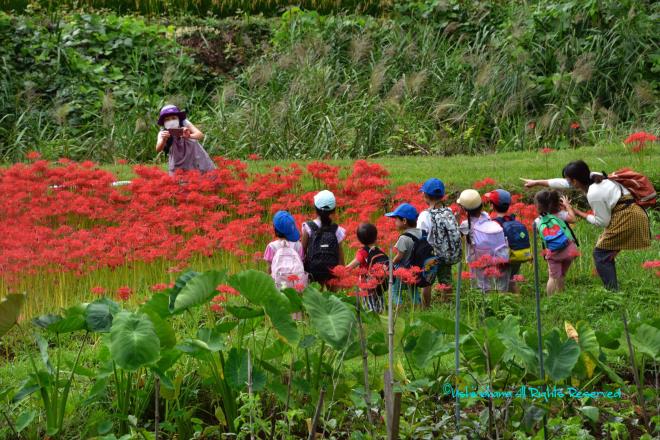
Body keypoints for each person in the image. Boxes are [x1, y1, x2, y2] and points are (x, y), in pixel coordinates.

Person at [523, 160, 651, 291]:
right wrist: (537, 182)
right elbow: (563, 183)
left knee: (600, 254)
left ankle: (612, 291)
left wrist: (579, 212)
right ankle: (612, 289)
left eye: (569, 180)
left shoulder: (594, 193)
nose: (567, 183)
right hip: (632, 213)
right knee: (605, 253)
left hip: (628, 217)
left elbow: (602, 222)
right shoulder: (592, 176)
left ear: (575, 181)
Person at [457, 189, 511, 292]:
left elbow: (456, 235)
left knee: (481, 287)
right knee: (495, 286)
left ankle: (483, 306)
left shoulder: (466, 225)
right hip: (497, 258)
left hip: (478, 261)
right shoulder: (487, 217)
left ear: (464, 209)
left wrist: (457, 218)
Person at [417, 178, 461, 305]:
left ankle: (426, 307)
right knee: (446, 281)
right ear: (442, 196)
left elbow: (420, 236)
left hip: (431, 255)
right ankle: (447, 305)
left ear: (425, 195)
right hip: (447, 253)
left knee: (427, 283)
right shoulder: (449, 211)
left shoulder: (424, 215)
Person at [484, 189, 532, 293]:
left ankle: (504, 306)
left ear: (492, 205)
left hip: (503, 260)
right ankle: (517, 305)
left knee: (501, 286)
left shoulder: (494, 224)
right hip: (517, 255)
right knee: (512, 281)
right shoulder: (513, 220)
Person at [533, 190, 579, 295]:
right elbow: (573, 219)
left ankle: (552, 300)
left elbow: (538, 233)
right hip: (569, 250)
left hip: (553, 253)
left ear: (538, 205)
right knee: (562, 274)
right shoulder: (561, 214)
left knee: (553, 277)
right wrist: (567, 206)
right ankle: (561, 295)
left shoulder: (538, 221)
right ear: (557, 202)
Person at [301, 190, 346, 287]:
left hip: (313, 270)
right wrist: (342, 274)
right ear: (333, 210)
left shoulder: (308, 227)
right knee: (333, 297)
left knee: (316, 296)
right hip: (332, 271)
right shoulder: (337, 229)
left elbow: (302, 252)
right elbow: (340, 255)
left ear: (315, 209)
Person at [155, 105, 216, 175]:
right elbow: (158, 149)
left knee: (204, 176)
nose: (171, 121)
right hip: (178, 160)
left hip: (195, 155)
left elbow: (200, 135)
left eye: (173, 118)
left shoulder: (185, 123)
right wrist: (164, 140)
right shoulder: (163, 132)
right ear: (164, 122)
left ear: (178, 118)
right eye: (167, 119)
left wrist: (189, 136)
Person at [385, 203, 423, 305]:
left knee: (395, 291)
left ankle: (399, 309)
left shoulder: (403, 238)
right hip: (416, 269)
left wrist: (391, 263)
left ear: (404, 221)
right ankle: (418, 307)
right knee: (414, 291)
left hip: (402, 271)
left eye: (396, 219)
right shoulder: (421, 233)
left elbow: (400, 256)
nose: (395, 222)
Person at [346, 223, 388, 313]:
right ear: (376, 236)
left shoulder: (362, 252)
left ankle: (372, 316)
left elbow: (352, 265)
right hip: (379, 281)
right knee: (379, 297)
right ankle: (381, 312)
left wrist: (344, 269)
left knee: (369, 301)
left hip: (367, 283)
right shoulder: (379, 250)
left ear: (360, 240)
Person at [264, 210, 307, 290]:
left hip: (278, 286)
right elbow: (302, 265)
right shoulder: (298, 245)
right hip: (296, 285)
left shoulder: (271, 246)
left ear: (275, 228)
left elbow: (269, 269)